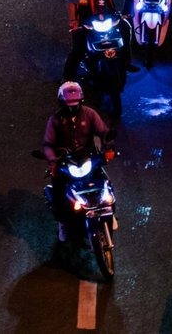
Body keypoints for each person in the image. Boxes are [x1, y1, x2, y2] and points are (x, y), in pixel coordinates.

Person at [40, 81, 114, 239]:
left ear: (81, 101)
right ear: (62, 103)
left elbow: (103, 132)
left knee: (105, 183)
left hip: (88, 157)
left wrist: (108, 149)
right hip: (65, 161)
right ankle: (63, 224)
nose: (72, 108)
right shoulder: (55, 120)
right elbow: (48, 144)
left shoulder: (90, 114)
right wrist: (53, 162)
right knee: (60, 195)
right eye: (68, 105)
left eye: (76, 104)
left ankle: (109, 211)